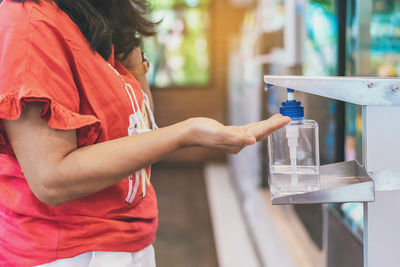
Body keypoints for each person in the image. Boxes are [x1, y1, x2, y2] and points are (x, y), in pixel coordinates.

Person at [0, 0, 291, 266]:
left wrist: (128, 33)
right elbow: (51, 180)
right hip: (69, 252)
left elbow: (141, 122)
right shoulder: (30, 22)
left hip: (130, 238)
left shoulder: (97, 16)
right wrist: (185, 134)